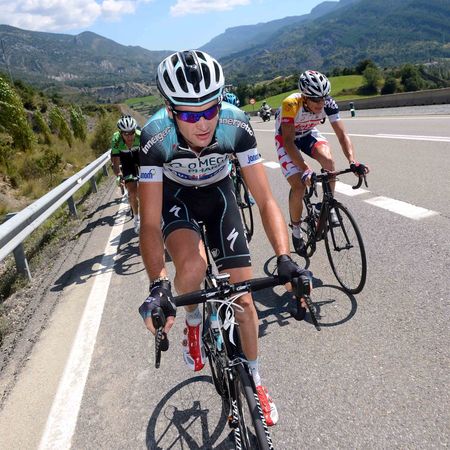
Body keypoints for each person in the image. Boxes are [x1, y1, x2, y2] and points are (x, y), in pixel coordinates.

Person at [137, 50, 311, 427]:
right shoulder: (154, 137)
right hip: (177, 199)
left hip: (219, 195)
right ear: (170, 110)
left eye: (209, 110)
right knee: (193, 267)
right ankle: (194, 320)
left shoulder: (236, 124)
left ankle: (256, 380)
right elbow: (149, 224)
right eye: (189, 115)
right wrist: (157, 285)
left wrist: (284, 257)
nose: (202, 123)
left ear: (221, 102)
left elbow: (265, 199)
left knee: (243, 300)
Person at [274, 70, 369, 255]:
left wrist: (352, 161)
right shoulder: (291, 104)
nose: (321, 103)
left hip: (308, 134)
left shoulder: (329, 104)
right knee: (299, 185)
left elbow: (342, 134)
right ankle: (296, 230)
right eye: (316, 99)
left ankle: (327, 205)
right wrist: (305, 168)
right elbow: (288, 142)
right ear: (304, 97)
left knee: (329, 161)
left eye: (323, 98)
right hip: (287, 139)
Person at [111, 115, 141, 233]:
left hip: (139, 156)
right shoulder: (116, 140)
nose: (129, 136)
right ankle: (137, 220)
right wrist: (119, 174)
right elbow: (116, 161)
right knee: (132, 192)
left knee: (149, 187)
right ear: (121, 133)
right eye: (126, 133)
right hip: (125, 160)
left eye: (132, 132)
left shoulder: (140, 136)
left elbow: (149, 155)